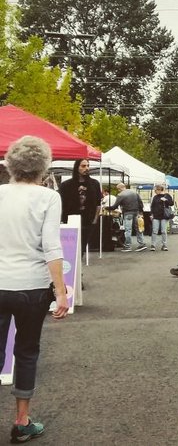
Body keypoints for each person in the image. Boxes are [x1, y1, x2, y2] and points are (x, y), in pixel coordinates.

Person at [0, 136, 70, 443]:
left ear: (10, 164)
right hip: (32, 287)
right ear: (43, 166)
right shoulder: (48, 197)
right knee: (26, 351)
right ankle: (22, 421)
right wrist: (61, 291)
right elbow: (51, 247)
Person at [58, 158, 103, 252]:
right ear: (77, 168)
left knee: (82, 245)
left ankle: (80, 258)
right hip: (70, 219)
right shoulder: (66, 185)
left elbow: (98, 204)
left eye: (88, 166)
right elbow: (61, 204)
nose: (87, 168)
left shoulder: (94, 184)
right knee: (70, 247)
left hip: (88, 220)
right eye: (83, 166)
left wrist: (95, 220)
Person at [106, 182, 146, 252]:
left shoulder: (120, 195)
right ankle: (142, 244)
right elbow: (140, 203)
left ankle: (128, 246)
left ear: (120, 188)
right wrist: (141, 212)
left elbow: (115, 206)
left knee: (128, 230)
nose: (118, 191)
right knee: (138, 228)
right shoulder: (134, 192)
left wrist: (107, 208)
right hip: (136, 212)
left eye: (118, 189)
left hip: (128, 213)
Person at [149, 185, 174, 252]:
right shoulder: (155, 197)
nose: (155, 191)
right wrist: (151, 214)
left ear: (160, 190)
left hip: (164, 216)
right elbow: (152, 206)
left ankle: (164, 245)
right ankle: (153, 245)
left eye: (156, 190)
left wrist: (166, 200)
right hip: (156, 216)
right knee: (154, 231)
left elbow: (171, 204)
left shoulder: (167, 195)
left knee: (163, 231)